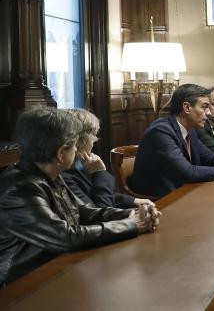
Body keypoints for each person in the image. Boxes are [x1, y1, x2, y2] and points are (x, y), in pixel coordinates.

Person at [0, 108, 160, 286]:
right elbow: (66, 236)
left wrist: (132, 214)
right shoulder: (20, 189)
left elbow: (84, 212)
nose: (77, 150)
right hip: (18, 287)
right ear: (61, 153)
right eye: (75, 145)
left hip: (53, 269)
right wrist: (132, 225)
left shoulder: (48, 172)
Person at [129, 84, 214, 198]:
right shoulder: (161, 131)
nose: (208, 113)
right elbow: (188, 172)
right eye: (204, 107)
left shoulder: (190, 129)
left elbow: (209, 157)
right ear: (187, 107)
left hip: (183, 192)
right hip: (158, 202)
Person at [61, 108, 153, 209]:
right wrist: (99, 172)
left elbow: (95, 193)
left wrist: (134, 200)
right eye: (93, 137)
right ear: (82, 140)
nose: (94, 142)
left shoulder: (77, 164)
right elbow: (103, 211)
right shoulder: (64, 175)